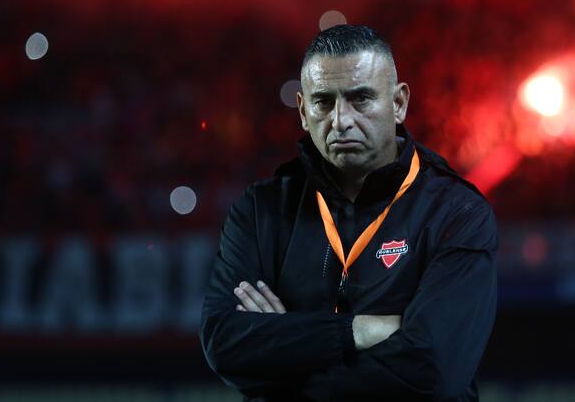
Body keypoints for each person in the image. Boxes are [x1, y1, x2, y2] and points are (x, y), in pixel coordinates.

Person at [199, 24, 498, 401]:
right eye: (324, 102)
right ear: (304, 112)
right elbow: (225, 345)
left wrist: (284, 361)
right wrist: (355, 332)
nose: (341, 121)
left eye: (361, 99)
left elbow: (433, 372)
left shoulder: (456, 212)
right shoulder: (261, 210)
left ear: (399, 103)